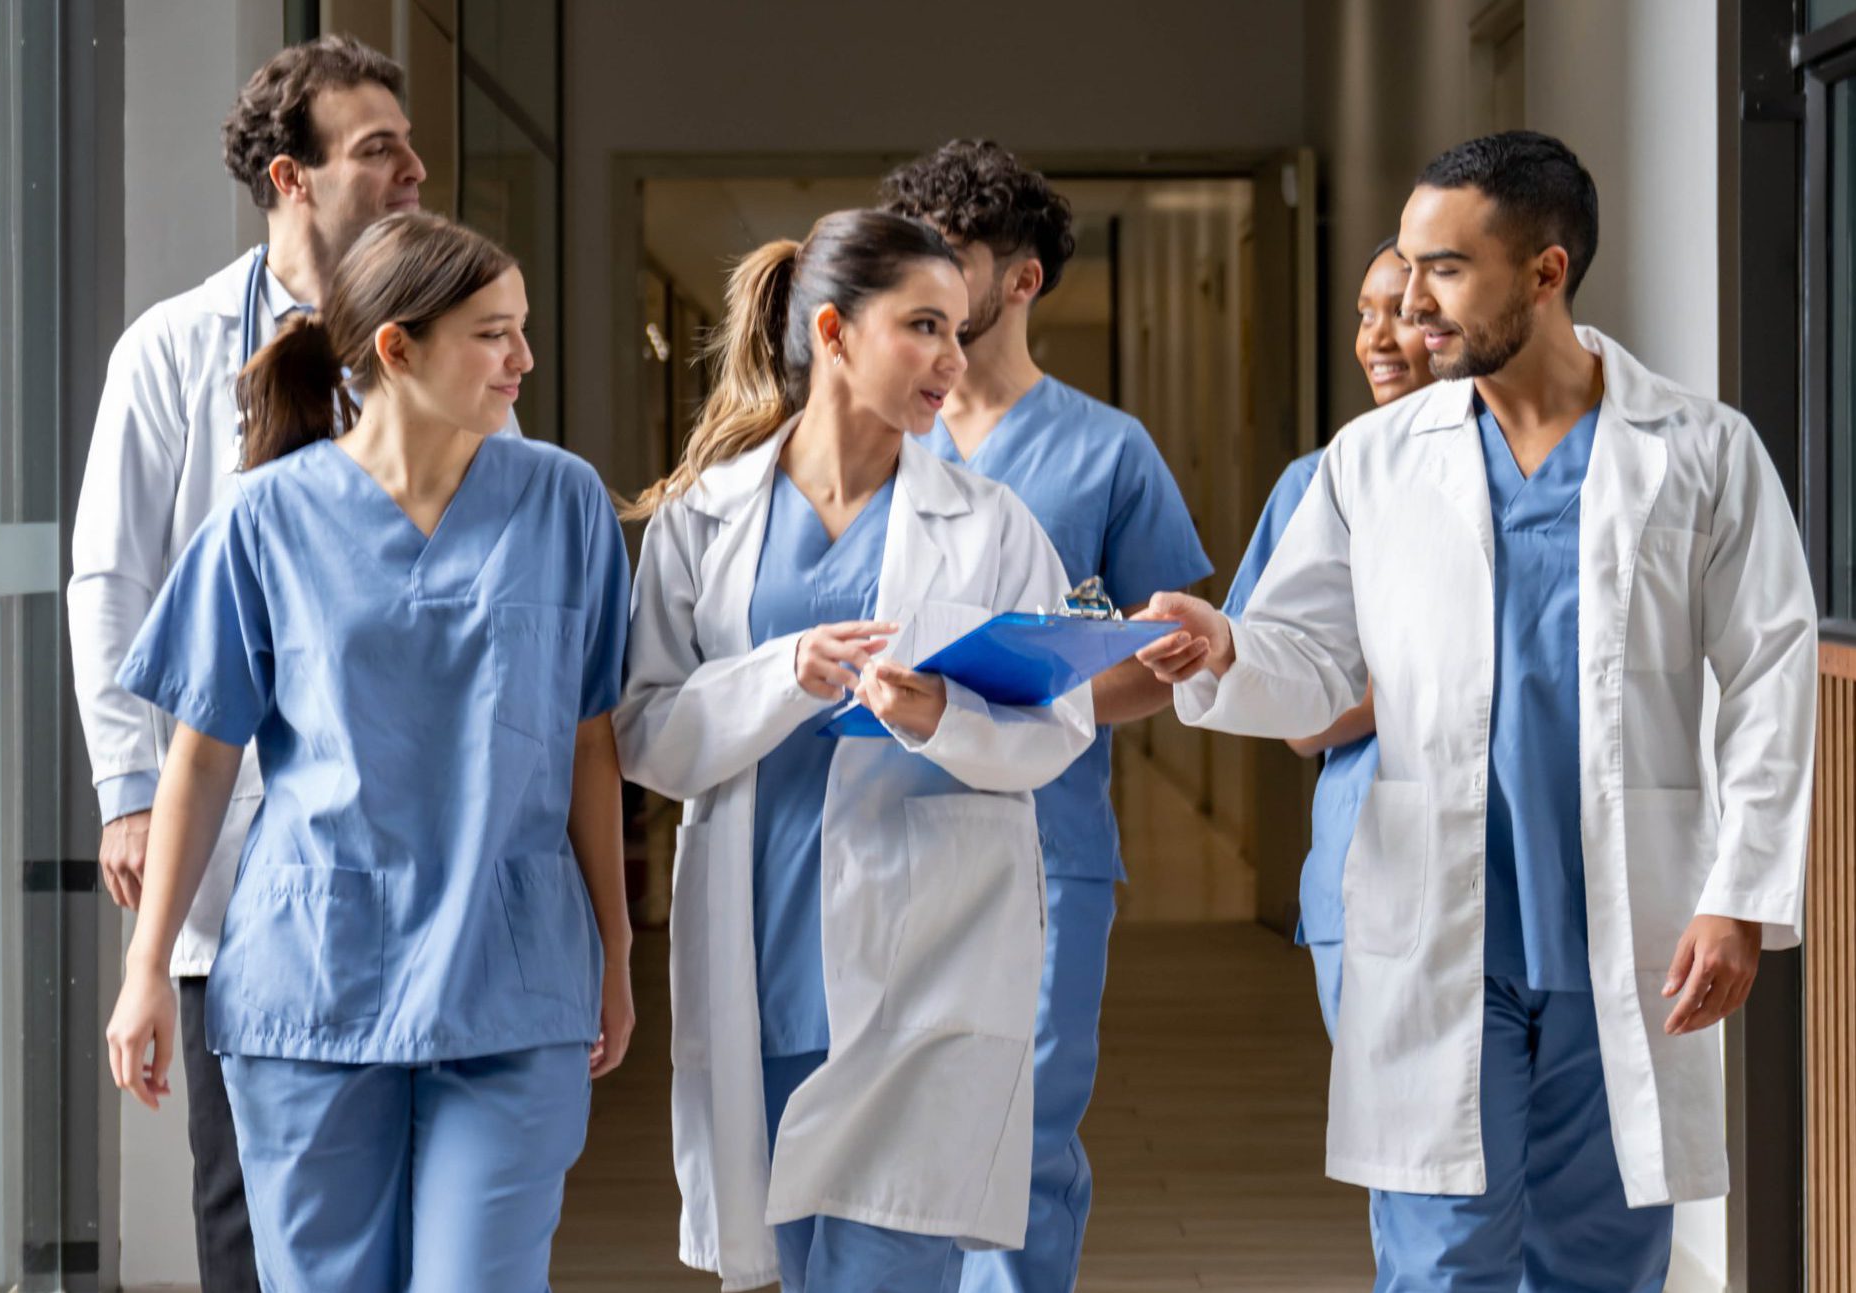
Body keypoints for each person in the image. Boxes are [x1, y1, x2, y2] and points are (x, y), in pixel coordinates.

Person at [1136, 132, 1816, 1291]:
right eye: (1406, 266)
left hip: (1627, 924)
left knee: (1599, 1259)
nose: (1409, 302)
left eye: (1444, 269)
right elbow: (1308, 659)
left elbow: (1766, 671)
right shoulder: (1374, 458)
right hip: (1438, 926)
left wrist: (1739, 896)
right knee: (1441, 1260)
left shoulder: (1700, 450)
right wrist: (1227, 647)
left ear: (1544, 274)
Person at [103, 213, 633, 1291]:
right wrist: (147, 965)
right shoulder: (262, 521)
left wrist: (617, 955)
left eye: (522, 330)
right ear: (397, 348)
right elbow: (201, 762)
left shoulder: (564, 502)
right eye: (494, 334)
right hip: (315, 979)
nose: (523, 359)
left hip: (511, 973)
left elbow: (589, 748)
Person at [67, 36, 515, 1288]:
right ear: (291, 177)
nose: (418, 171)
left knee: (429, 1212)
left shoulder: (462, 345)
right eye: (380, 150)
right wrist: (130, 791)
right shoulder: (170, 350)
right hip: (236, 837)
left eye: (410, 145)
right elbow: (113, 579)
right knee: (250, 1212)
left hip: (425, 845)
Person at [614, 209, 1095, 1293]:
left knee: (885, 1270)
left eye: (959, 331)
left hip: (927, 963)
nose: (952, 361)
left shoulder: (992, 523)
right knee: (785, 1265)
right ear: (831, 332)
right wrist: (782, 675)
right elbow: (646, 733)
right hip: (764, 959)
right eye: (923, 326)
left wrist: (940, 720)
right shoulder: (704, 518)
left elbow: (1054, 731)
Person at [877, 140, 1211, 1293]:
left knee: (1018, 1135)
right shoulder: (876, 434)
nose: (922, 284)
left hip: (1043, 842)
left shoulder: (1108, 450)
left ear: (1019, 280)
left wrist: (1035, 695)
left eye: (951, 260)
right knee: (885, 1133)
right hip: (877, 831)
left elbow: (1167, 651)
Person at [1223, 234, 1437, 1037]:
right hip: (1373, 855)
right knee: (1404, 1150)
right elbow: (1297, 716)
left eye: (1406, 315)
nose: (1377, 337)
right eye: (1365, 314)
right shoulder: (1319, 483)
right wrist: (1412, 688)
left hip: (1524, 873)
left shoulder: (1532, 472)